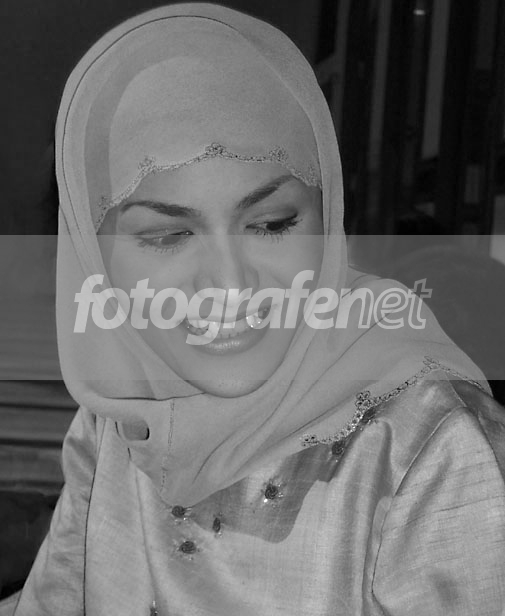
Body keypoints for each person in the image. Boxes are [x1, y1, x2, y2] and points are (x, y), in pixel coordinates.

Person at [9, 4, 505, 615]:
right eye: (167, 236)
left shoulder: (430, 451)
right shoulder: (122, 416)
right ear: (94, 257)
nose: (229, 282)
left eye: (271, 224)